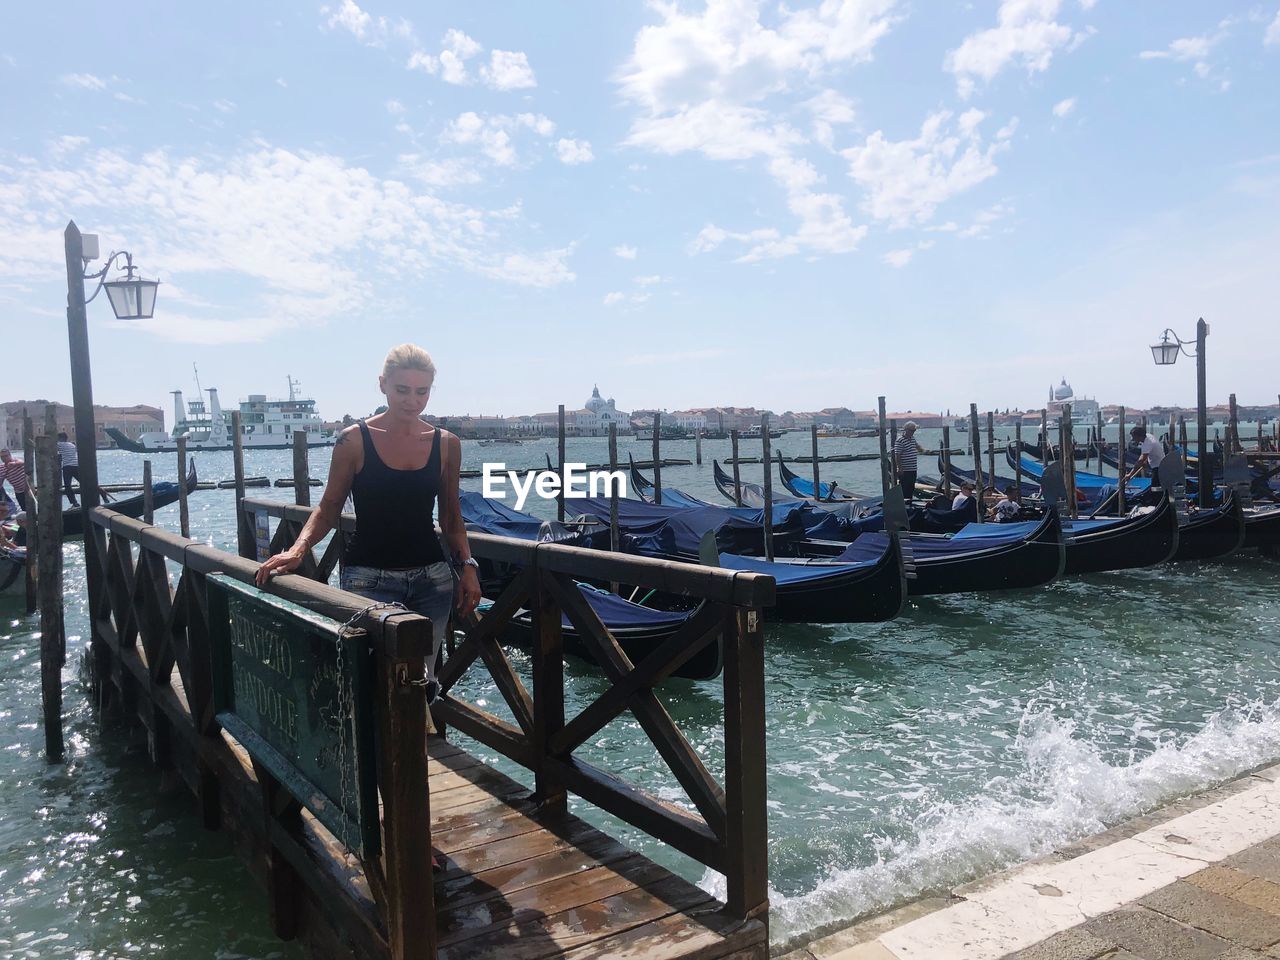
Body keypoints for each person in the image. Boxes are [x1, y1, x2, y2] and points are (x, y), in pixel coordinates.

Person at [255, 344, 481, 705]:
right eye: (402, 390)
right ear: (383, 385)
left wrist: (468, 567)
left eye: (421, 391)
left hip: (433, 584)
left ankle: (415, 758)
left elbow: (451, 516)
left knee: (419, 687)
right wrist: (298, 549)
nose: (411, 400)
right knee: (371, 687)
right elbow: (329, 506)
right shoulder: (353, 440)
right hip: (367, 582)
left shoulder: (446, 444)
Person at [894, 421, 921, 501]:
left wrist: (925, 450)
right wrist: (899, 468)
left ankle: (909, 504)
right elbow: (897, 455)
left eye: (914, 431)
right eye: (911, 430)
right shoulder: (900, 440)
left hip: (913, 469)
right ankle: (904, 505)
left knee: (911, 488)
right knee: (904, 489)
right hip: (905, 470)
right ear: (906, 430)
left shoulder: (912, 438)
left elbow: (917, 446)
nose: (913, 432)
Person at [56, 432, 80, 507]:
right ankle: (101, 494)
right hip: (76, 465)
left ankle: (74, 502)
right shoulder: (72, 445)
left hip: (67, 467)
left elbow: (50, 448)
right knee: (84, 482)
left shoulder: (59, 444)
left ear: (61, 438)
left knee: (67, 486)